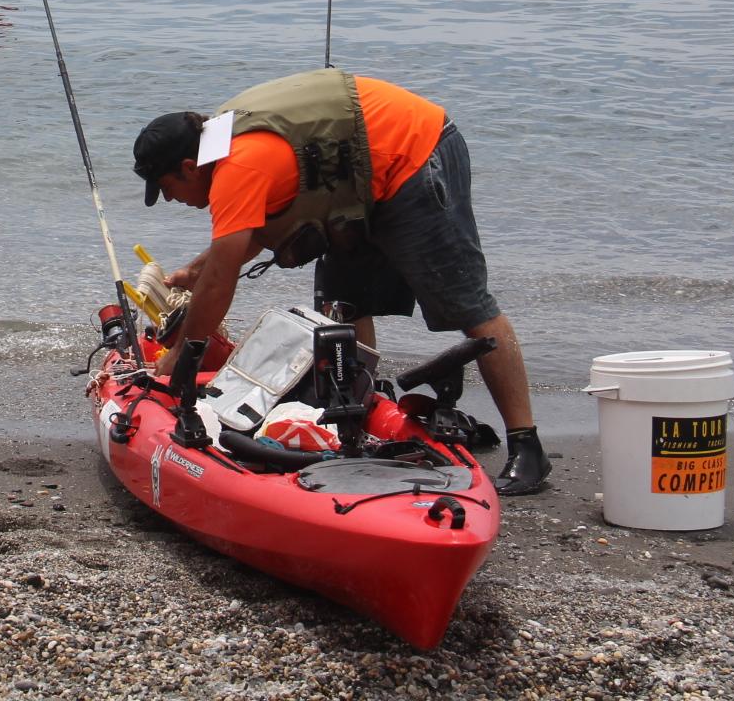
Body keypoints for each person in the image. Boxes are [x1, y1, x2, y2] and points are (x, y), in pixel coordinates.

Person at [130, 67, 551, 496]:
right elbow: (246, 237)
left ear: (189, 167)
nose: (170, 199)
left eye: (166, 188)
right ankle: (359, 415)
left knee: (467, 306)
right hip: (359, 179)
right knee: (341, 304)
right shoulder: (219, 141)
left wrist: (182, 356)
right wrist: (193, 273)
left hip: (416, 152)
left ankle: (527, 446)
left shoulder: (236, 167)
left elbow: (221, 282)